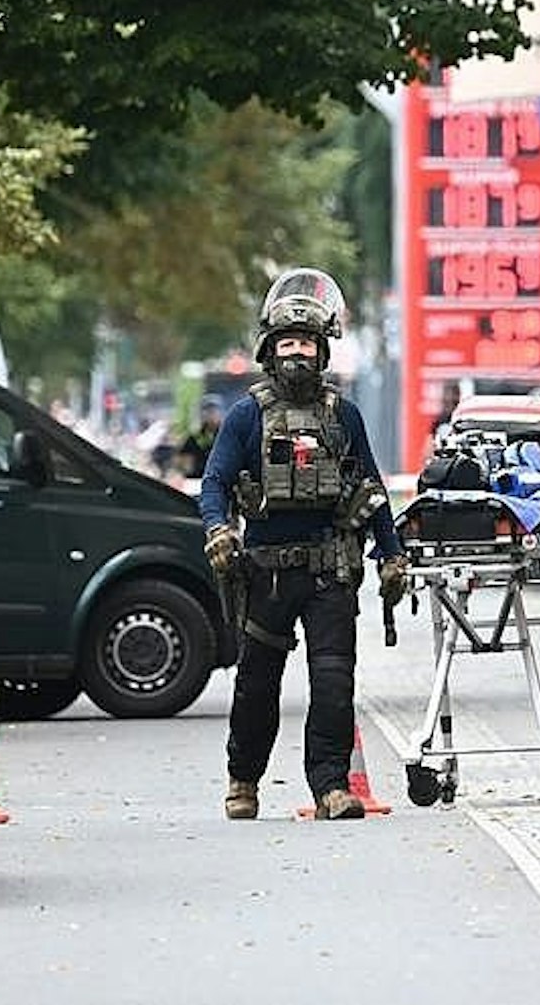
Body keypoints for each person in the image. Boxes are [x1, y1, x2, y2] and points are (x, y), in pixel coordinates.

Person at [200, 268, 408, 820]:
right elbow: (215, 482)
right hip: (265, 574)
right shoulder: (247, 414)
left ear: (323, 351)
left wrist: (391, 555)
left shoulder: (345, 416)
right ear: (271, 350)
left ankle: (331, 787)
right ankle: (243, 781)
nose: (298, 353)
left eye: (308, 344)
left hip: (329, 573)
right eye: (288, 343)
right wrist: (218, 530)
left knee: (334, 682)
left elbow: (370, 489)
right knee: (256, 687)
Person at [177, 394, 227, 479]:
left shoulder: (227, 435)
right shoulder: (194, 437)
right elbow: (185, 460)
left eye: (214, 410)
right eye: (207, 411)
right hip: (197, 480)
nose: (211, 414)